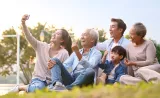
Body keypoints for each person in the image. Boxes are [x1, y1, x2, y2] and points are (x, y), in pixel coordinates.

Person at [10, 14, 72, 92]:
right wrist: (23, 23)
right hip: (38, 80)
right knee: (39, 88)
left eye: (58, 34)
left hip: (53, 82)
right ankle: (21, 87)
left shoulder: (64, 53)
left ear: (62, 40)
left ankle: (35, 88)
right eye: (54, 33)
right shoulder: (41, 46)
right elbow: (29, 37)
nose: (54, 34)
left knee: (49, 90)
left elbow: (66, 70)